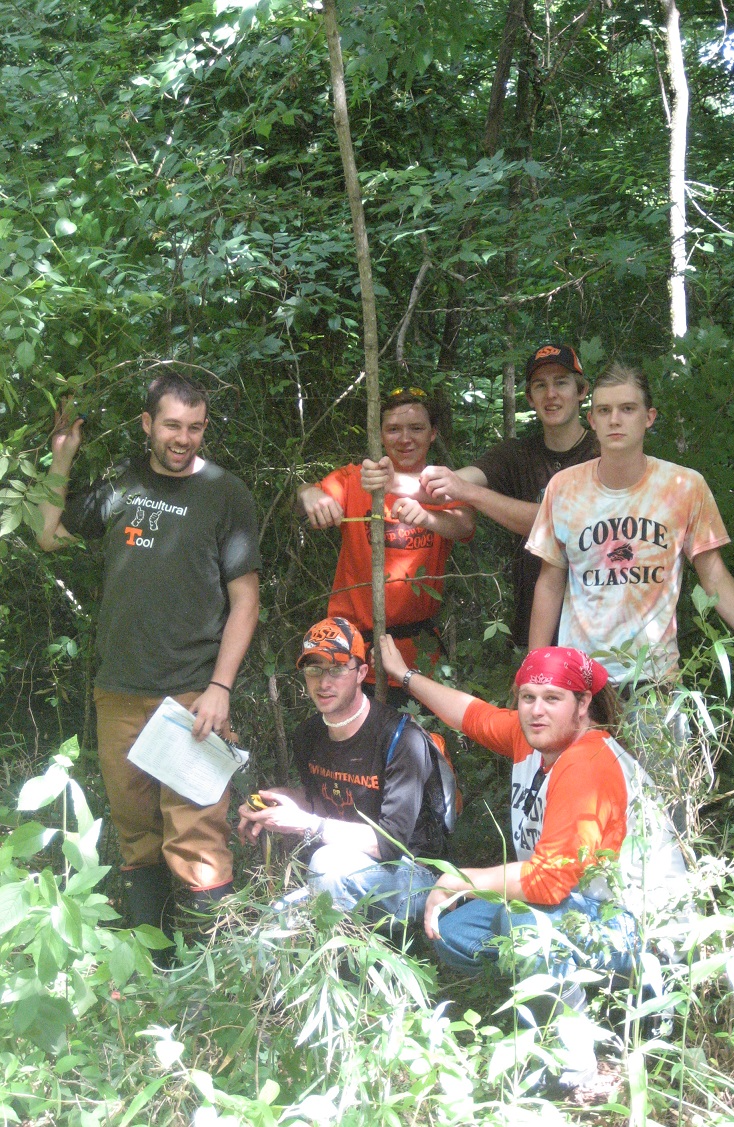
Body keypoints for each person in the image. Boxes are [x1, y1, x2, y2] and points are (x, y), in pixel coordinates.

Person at [379, 635, 688, 1087]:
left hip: (641, 929)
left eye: (552, 699)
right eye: (527, 697)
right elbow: (471, 714)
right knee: (454, 930)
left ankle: (571, 1061)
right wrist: (404, 675)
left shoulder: (588, 762)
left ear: (583, 705)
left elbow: (547, 884)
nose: (536, 710)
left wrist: (461, 879)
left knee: (525, 924)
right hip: (576, 911)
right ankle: (572, 995)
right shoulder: (535, 740)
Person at [36, 375, 261, 934]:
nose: (183, 439)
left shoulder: (225, 493)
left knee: (198, 836)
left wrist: (221, 688)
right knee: (137, 833)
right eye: (172, 426)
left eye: (195, 427)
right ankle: (155, 961)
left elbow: (246, 600)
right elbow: (48, 534)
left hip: (190, 695)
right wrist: (61, 460)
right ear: (148, 425)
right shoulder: (123, 486)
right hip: (119, 692)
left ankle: (215, 974)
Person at [527, 362, 734, 685]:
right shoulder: (564, 488)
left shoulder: (684, 487)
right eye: (604, 410)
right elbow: (550, 582)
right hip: (580, 680)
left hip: (655, 678)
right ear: (591, 420)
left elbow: (713, 573)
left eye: (628, 409)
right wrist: (535, 668)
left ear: (649, 417)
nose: (615, 420)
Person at [237, 617, 447, 926]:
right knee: (271, 926)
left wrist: (307, 824)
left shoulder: (401, 738)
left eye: (337, 669)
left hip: (415, 876)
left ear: (362, 672)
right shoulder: (308, 735)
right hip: (349, 868)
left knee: (326, 863)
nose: (324, 683)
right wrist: (281, 802)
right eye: (314, 670)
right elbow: (322, 800)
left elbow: (390, 844)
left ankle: (348, 968)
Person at [297, 388, 474, 696]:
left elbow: (464, 525)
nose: (404, 438)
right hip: (349, 649)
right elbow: (308, 497)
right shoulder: (357, 479)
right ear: (380, 433)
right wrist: (307, 494)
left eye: (416, 428)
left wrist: (428, 517)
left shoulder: (443, 486)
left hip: (416, 651)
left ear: (433, 433)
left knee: (415, 742)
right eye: (393, 429)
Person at [419, 344, 599, 646]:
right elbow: (443, 489)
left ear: (581, 391)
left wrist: (468, 492)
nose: (551, 394)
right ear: (529, 397)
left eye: (561, 382)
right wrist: (385, 480)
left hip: (601, 625)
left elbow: (560, 525)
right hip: (538, 627)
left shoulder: (602, 455)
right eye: (540, 385)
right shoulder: (515, 455)